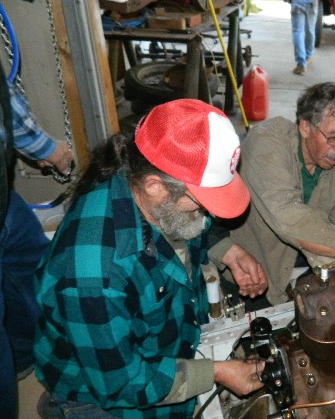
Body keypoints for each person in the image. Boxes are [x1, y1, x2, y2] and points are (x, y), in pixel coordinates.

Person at [34, 99, 267, 419]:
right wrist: (215, 372)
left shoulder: (147, 184)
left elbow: (193, 226)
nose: (208, 214)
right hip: (102, 397)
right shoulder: (91, 274)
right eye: (201, 202)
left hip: (163, 350)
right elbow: (121, 384)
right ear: (155, 186)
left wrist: (225, 249)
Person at [230, 82, 335, 307]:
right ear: (305, 127)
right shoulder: (267, 142)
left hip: (304, 265)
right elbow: (288, 217)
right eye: (334, 137)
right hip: (254, 269)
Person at [0, 64, 73, 419]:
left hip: (4, 203)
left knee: (29, 258)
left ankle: (26, 357)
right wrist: (52, 150)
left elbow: (5, 100)